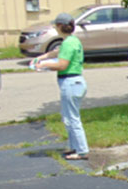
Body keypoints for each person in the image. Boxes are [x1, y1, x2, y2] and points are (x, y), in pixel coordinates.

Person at [35, 13, 89, 160]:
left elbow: (62, 64)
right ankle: (74, 147)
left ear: (60, 26)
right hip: (73, 83)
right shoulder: (72, 41)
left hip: (70, 82)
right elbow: (57, 53)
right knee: (68, 118)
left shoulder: (68, 43)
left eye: (55, 25)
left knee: (73, 118)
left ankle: (82, 150)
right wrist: (42, 57)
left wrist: (44, 65)